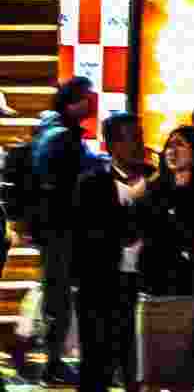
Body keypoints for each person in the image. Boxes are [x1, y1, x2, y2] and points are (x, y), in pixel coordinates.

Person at [127, 125, 194, 392]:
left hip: (191, 294)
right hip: (152, 292)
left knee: (184, 378)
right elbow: (134, 232)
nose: (172, 150)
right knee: (149, 377)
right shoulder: (151, 191)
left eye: (180, 144)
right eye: (169, 145)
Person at [21, 76, 95, 385]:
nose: (91, 101)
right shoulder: (60, 138)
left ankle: (40, 354)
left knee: (55, 294)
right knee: (58, 297)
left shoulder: (55, 134)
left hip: (56, 229)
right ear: (70, 102)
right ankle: (48, 361)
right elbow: (59, 187)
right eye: (85, 97)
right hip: (60, 230)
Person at [70, 112, 146, 392]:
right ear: (112, 145)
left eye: (139, 137)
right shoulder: (91, 183)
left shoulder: (154, 181)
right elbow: (89, 234)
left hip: (144, 285)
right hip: (102, 287)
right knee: (97, 366)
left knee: (138, 367)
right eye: (131, 138)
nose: (138, 144)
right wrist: (130, 209)